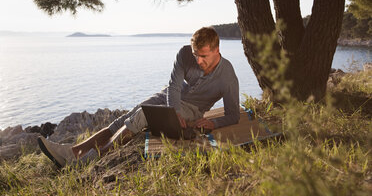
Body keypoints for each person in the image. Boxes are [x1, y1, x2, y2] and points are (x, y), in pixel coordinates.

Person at [38, 27, 240, 168]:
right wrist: (174, 111)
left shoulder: (228, 76)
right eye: (196, 54)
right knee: (127, 117)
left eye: (203, 56)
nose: (198, 60)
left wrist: (215, 123)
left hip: (193, 110)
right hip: (170, 97)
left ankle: (89, 160)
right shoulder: (185, 53)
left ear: (217, 50)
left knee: (142, 115)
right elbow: (174, 86)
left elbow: (233, 115)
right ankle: (72, 153)